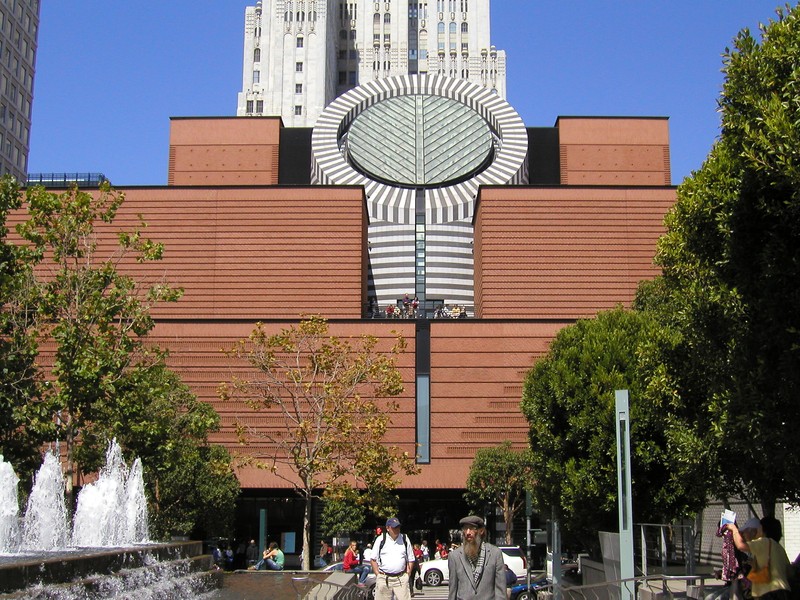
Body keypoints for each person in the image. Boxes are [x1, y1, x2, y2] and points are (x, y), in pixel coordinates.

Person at [726, 517, 791, 600]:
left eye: (760, 527)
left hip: (769, 593)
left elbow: (741, 546)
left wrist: (734, 529)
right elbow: (789, 572)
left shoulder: (764, 542)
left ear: (764, 529)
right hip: (783, 592)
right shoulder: (779, 548)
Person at [447, 515, 506, 600]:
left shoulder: (495, 554)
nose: (468, 532)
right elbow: (452, 591)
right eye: (465, 529)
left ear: (481, 531)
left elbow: (501, 591)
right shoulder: (454, 556)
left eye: (471, 528)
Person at [371, 517, 415, 600]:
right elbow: (373, 559)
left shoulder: (404, 539)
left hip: (401, 578)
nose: (397, 529)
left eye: (398, 527)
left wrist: (408, 574)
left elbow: (411, 559)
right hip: (384, 578)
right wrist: (378, 574)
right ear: (388, 528)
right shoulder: (381, 539)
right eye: (394, 527)